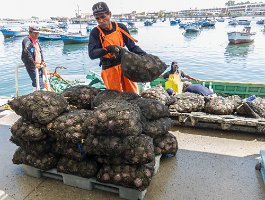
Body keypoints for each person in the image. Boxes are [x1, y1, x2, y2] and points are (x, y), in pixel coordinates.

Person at [88, 2, 147, 94]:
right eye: (97, 18)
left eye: (103, 17)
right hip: (109, 68)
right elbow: (92, 54)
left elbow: (132, 46)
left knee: (132, 93)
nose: (100, 21)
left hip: (125, 66)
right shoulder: (95, 32)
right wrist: (109, 49)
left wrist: (145, 56)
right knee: (115, 97)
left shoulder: (121, 27)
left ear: (110, 14)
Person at [21, 26, 46, 91]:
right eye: (35, 33)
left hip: (39, 65)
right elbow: (27, 53)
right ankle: (42, 97)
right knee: (40, 84)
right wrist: (34, 64)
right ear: (30, 33)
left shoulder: (36, 41)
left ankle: (35, 94)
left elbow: (40, 51)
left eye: (37, 33)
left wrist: (42, 61)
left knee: (36, 82)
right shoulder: (27, 40)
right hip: (32, 66)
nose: (36, 35)